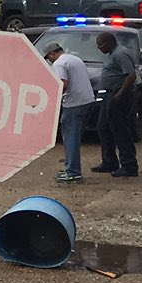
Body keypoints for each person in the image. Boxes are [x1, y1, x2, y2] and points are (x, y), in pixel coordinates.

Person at [43, 41, 97, 182]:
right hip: (88, 100)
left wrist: (53, 100)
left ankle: (73, 171)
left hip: (74, 104)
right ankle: (71, 167)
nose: (49, 60)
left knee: (70, 138)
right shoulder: (74, 59)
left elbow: (63, 83)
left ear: (52, 53)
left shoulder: (59, 64)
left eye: (49, 58)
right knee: (75, 137)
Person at [91, 30, 140, 178]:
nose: (99, 48)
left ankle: (129, 165)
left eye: (100, 44)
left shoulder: (121, 54)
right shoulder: (112, 54)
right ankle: (109, 161)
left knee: (120, 130)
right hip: (109, 93)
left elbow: (131, 76)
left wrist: (119, 95)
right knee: (103, 127)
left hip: (119, 95)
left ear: (109, 42)